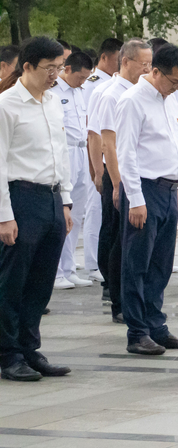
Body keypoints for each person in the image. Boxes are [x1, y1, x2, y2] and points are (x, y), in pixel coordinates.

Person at [0, 37, 75, 381]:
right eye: (50, 68)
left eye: (59, 68)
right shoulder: (7, 105)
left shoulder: (52, 102)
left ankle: (30, 348)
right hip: (21, 197)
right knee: (12, 281)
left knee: (41, 281)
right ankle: (8, 353)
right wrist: (4, 215)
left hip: (52, 198)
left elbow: (60, 153)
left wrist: (66, 201)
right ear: (27, 66)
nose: (56, 75)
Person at [115, 44, 178, 356]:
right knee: (137, 263)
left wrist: (176, 189)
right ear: (155, 71)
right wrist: (135, 199)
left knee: (161, 263)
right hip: (143, 189)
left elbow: (175, 142)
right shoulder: (133, 101)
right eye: (173, 81)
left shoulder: (170, 98)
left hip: (166, 189)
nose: (177, 88)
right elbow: (127, 153)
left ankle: (156, 325)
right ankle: (137, 331)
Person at [91, 39, 152, 322]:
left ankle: (135, 300)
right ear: (125, 62)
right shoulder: (111, 94)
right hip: (121, 180)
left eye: (151, 64)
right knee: (118, 241)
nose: (148, 69)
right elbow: (109, 144)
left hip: (141, 178)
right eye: (144, 64)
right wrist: (117, 183)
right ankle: (118, 302)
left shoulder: (144, 92)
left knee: (133, 245)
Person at [50, 52, 95, 290]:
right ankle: (56, 272)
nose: (83, 81)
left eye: (87, 77)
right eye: (80, 77)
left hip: (81, 150)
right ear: (66, 69)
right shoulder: (53, 91)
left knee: (76, 214)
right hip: (64, 152)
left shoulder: (82, 91)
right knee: (62, 212)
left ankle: (68, 268)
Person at [81, 38, 122, 283]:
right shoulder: (96, 86)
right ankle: (94, 264)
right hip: (99, 158)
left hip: (115, 158)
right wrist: (96, 169)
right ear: (106, 57)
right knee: (96, 212)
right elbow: (93, 132)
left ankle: (106, 268)